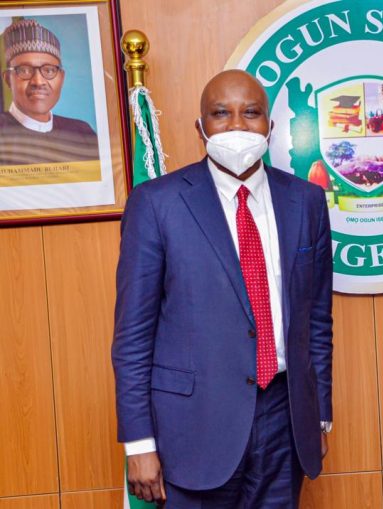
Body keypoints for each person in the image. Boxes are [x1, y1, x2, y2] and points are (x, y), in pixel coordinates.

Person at [112, 70, 333, 508]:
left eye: (250, 113)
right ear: (200, 128)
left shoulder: (306, 201)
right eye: (220, 114)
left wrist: (319, 416)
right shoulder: (157, 203)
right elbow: (133, 336)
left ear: (270, 126)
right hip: (194, 428)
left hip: (285, 419)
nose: (236, 125)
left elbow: (317, 321)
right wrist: (138, 442)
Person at [0, 18, 99, 165]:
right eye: (25, 70)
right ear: (8, 79)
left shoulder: (82, 133)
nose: (38, 81)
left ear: (62, 78)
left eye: (49, 70)